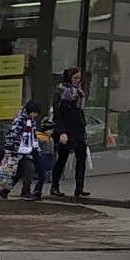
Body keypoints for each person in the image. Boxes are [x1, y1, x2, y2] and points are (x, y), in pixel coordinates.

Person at [50, 67, 90, 198]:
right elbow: (57, 114)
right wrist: (61, 132)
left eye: (79, 78)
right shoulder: (61, 93)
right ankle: (54, 186)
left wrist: (84, 127)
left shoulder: (79, 93)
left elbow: (80, 112)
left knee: (81, 159)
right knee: (62, 159)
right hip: (66, 130)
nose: (77, 81)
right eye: (75, 78)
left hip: (78, 130)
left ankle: (79, 187)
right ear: (69, 78)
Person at [0, 101, 45, 200]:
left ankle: (5, 191)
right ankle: (25, 191)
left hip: (25, 150)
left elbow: (33, 136)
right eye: (35, 113)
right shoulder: (20, 120)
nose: (35, 115)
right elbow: (12, 134)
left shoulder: (31, 121)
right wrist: (8, 149)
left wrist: (36, 148)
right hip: (17, 150)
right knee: (29, 169)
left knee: (19, 172)